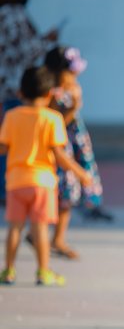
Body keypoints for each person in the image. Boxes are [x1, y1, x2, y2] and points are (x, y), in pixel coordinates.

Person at [0, 67, 91, 286]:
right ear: (50, 94)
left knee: (14, 228)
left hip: (16, 181)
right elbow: (59, 154)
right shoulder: (52, 118)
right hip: (43, 183)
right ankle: (43, 272)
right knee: (40, 228)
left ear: (21, 93)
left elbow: (2, 147)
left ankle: (9, 271)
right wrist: (80, 172)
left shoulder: (12, 116)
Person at [0, 0, 57, 204]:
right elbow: (25, 52)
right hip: (14, 90)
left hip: (8, 89)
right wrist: (47, 41)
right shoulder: (13, 15)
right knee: (14, 145)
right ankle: (7, 191)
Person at [43, 46, 110, 262]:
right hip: (63, 147)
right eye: (71, 72)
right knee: (61, 193)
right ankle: (47, 237)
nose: (75, 76)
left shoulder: (66, 89)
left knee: (67, 198)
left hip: (73, 145)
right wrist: (74, 107)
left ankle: (57, 238)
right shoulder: (53, 94)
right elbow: (56, 123)